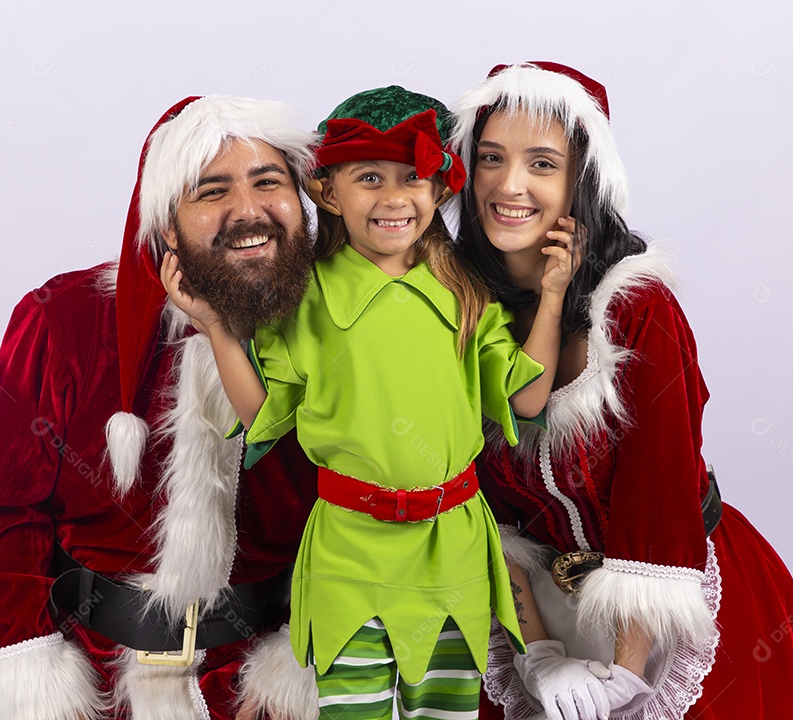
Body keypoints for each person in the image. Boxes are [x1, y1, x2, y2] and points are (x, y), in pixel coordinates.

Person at [452, 62, 793, 719]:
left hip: (669, 595)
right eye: (491, 157)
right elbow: (474, 508)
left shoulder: (637, 308)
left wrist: (623, 677)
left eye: (542, 164)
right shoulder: (456, 312)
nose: (509, 184)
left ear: (583, 181)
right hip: (531, 610)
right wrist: (537, 653)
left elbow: (656, 490)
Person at [162, 86, 574, 720]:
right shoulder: (305, 297)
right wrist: (217, 328)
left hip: (451, 551)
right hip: (349, 554)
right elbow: (262, 417)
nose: (392, 198)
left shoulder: (464, 293)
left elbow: (527, 396)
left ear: (440, 192)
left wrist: (550, 298)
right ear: (327, 192)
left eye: (413, 179)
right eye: (369, 178)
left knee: (446, 708)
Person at [0, 95, 325, 720]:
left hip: (267, 684)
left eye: (268, 182)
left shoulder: (343, 329)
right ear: (166, 223)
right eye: (212, 191)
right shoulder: (65, 320)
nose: (248, 210)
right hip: (97, 682)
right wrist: (24, 663)